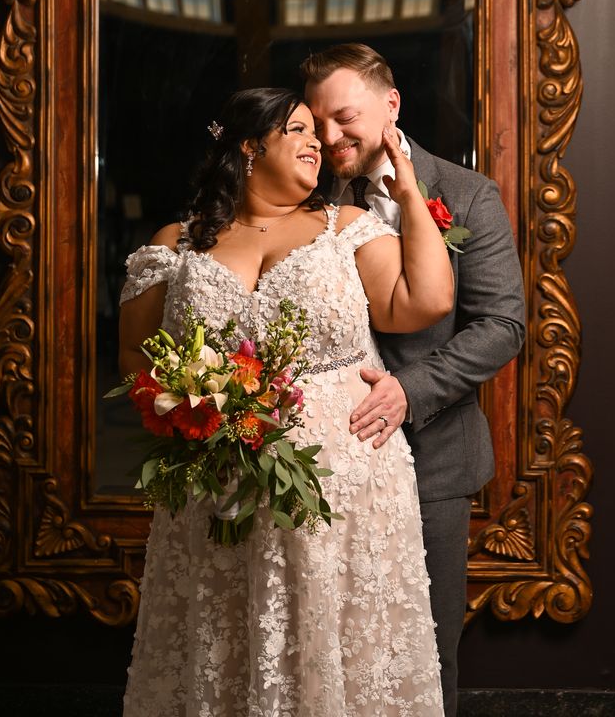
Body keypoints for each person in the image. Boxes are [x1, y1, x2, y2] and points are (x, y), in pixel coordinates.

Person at [118, 86, 455, 717]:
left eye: (315, 135)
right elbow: (136, 360)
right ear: (250, 146)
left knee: (338, 638)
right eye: (297, 130)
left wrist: (408, 194)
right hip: (217, 476)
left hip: (344, 477)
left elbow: (424, 302)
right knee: (225, 633)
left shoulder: (347, 230)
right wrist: (196, 406)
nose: (316, 144)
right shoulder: (178, 243)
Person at [302, 44, 526, 717]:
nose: (330, 137)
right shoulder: (304, 198)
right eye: (316, 123)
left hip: (431, 464)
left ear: (389, 105)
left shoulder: (463, 195)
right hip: (319, 463)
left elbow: (501, 326)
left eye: (344, 118)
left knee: (422, 653)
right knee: (326, 647)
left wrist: (410, 390)